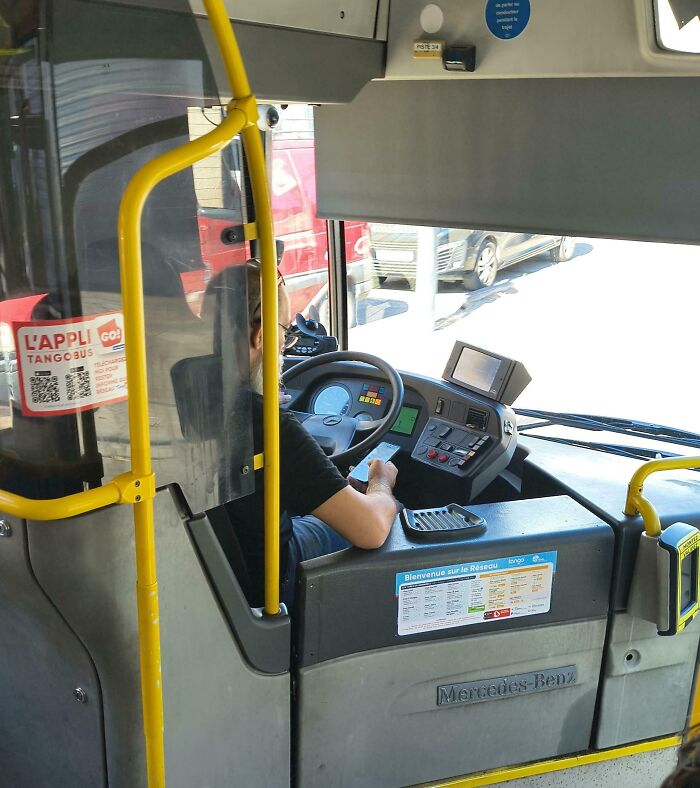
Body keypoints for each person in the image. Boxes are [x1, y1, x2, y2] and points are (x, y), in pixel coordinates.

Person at [224, 259, 399, 610]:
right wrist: (382, 483)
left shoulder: (175, 395)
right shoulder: (263, 423)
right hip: (268, 582)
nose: (285, 344)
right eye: (285, 331)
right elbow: (372, 528)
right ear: (260, 335)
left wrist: (330, 485)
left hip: (220, 571)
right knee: (394, 516)